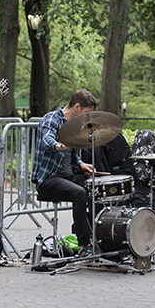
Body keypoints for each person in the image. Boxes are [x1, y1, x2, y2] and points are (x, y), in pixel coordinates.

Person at [31, 89, 98, 254]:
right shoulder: (51, 119)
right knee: (79, 193)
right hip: (48, 179)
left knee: (97, 186)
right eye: (86, 112)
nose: (88, 117)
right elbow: (47, 139)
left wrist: (81, 164)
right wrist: (57, 145)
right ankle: (85, 245)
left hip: (68, 176)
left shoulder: (74, 125)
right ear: (76, 107)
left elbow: (74, 155)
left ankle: (101, 238)